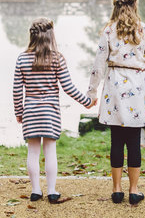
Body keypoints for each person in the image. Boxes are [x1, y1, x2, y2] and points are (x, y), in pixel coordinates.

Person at [87, 0, 145, 205]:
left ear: (114, 4)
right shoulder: (144, 30)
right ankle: (133, 190)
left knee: (116, 141)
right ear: (135, 3)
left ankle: (116, 189)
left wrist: (92, 91)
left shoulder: (108, 30)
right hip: (135, 90)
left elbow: (98, 65)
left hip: (113, 89)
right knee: (133, 141)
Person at [13, 17, 95, 203]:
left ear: (32, 35)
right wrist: (86, 101)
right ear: (51, 35)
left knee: (32, 152)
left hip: (31, 111)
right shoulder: (57, 58)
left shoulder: (22, 58)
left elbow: (17, 90)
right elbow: (68, 87)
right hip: (50, 112)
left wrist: (19, 111)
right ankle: (51, 191)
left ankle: (35, 190)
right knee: (50, 150)